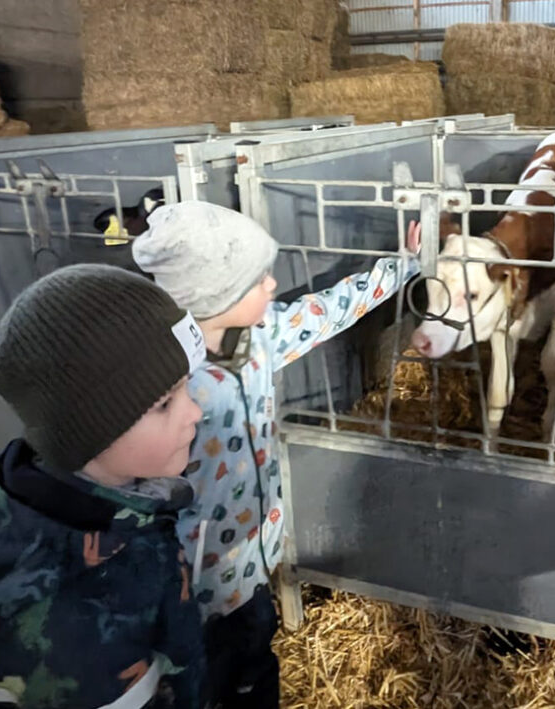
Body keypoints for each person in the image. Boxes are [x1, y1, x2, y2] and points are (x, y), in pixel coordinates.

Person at [132, 201, 422, 708]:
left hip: (251, 564)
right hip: (187, 592)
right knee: (201, 685)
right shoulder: (164, 386)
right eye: (258, 279)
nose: (273, 286)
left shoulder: (261, 336)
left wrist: (403, 265)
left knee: (256, 668)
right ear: (214, 294)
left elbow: (331, 308)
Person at [0, 264, 209, 708]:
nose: (194, 413)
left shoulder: (75, 505)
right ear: (88, 429)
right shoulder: (74, 621)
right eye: (164, 404)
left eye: (186, 390)